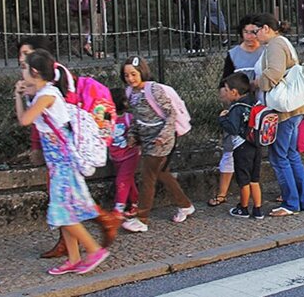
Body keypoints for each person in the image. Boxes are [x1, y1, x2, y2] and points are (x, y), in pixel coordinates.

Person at [15, 37, 119, 260]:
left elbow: (29, 120)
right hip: (58, 159)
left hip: (63, 158)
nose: (20, 60)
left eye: (25, 56)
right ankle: (73, 257)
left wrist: (20, 95)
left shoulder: (49, 91)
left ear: (36, 66)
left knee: (66, 209)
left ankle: (94, 248)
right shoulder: (41, 89)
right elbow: (39, 123)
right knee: (69, 207)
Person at [119, 57, 195, 232]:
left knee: (147, 177)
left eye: (133, 74)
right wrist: (132, 136)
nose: (130, 78)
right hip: (146, 139)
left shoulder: (153, 89)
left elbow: (170, 113)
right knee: (161, 173)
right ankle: (185, 204)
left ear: (142, 72)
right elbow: (137, 118)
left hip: (161, 140)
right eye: (127, 75)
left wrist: (164, 135)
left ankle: (142, 218)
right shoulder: (131, 92)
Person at [250, 14, 304, 217]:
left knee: (279, 157)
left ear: (266, 28)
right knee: (292, 154)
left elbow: (275, 73)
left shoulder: (275, 45)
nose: (254, 35)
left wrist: (258, 83)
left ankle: (291, 202)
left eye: (256, 30)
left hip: (283, 111)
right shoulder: (283, 42)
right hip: (295, 109)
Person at [209, 15, 264, 208]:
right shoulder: (233, 54)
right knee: (229, 148)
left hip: (260, 107)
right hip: (236, 108)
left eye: (254, 32)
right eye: (246, 32)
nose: (250, 36)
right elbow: (224, 81)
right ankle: (222, 192)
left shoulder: (266, 51)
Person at [217, 73, 264, 219]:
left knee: (243, 180)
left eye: (226, 89)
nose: (224, 91)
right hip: (256, 145)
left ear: (234, 92)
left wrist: (222, 118)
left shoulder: (236, 108)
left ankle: (243, 208)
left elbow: (233, 128)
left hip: (242, 148)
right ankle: (257, 209)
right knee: (254, 179)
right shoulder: (253, 101)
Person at [107, 88, 139, 220]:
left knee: (121, 180)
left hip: (130, 155)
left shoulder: (128, 118)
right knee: (128, 180)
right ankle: (135, 202)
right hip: (116, 155)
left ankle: (118, 207)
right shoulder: (108, 119)